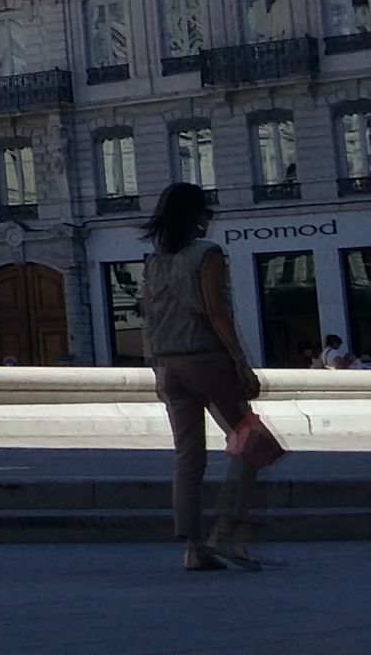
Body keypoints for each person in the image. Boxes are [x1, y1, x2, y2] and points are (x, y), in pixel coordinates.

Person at [141, 182, 267, 571]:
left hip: (168, 366)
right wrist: (240, 361)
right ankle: (228, 531)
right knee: (252, 442)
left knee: (188, 455)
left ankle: (193, 548)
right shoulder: (207, 255)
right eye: (207, 212)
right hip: (205, 359)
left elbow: (150, 315)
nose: (210, 219)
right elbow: (216, 311)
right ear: (196, 216)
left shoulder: (155, 260)